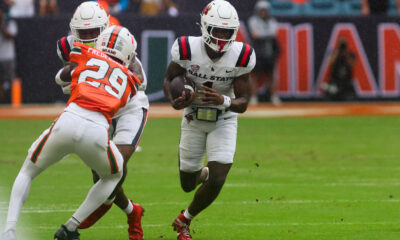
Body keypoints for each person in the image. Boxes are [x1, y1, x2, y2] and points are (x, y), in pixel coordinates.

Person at [0, 25, 140, 240]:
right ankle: (70, 227)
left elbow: (65, 72)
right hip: (97, 130)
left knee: (27, 171)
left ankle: (9, 231)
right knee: (114, 175)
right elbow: (129, 86)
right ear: (129, 55)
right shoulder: (130, 79)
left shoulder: (84, 53)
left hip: (67, 121)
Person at [55, 2, 149, 239]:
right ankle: (132, 211)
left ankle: (104, 202)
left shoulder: (117, 38)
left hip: (128, 107)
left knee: (115, 164)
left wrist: (108, 77)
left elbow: (141, 79)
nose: (88, 37)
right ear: (74, 30)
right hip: (97, 110)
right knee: (100, 172)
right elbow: (62, 77)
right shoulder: (67, 45)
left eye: (93, 32)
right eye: (83, 32)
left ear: (104, 28)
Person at [163, 1, 255, 239]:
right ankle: (199, 173)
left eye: (228, 31)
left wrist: (222, 100)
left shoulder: (241, 55)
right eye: (218, 30)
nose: (223, 36)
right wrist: (174, 100)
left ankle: (185, 219)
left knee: (219, 177)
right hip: (193, 116)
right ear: (205, 27)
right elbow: (169, 79)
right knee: (187, 183)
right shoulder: (187, 48)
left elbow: (243, 102)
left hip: (224, 118)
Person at [248, 0, 280, 105]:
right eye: (261, 10)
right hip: (257, 53)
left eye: (265, 10)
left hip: (269, 53)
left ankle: (274, 96)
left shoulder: (272, 21)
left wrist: (261, 34)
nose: (263, 12)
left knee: (271, 76)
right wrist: (265, 34)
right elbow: (255, 35)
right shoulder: (253, 20)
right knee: (254, 76)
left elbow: (273, 33)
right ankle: (254, 97)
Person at [0, 7, 17, 103]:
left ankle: (11, 102)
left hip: (8, 56)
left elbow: (11, 36)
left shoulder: (10, 23)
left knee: (10, 80)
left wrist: (2, 25)